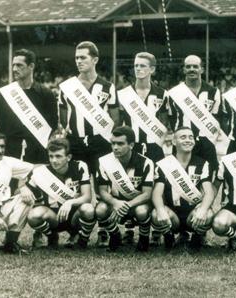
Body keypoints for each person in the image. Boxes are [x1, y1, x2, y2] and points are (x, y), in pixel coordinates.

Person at [58, 41, 120, 246]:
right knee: (76, 187)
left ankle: (104, 230)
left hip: (99, 142)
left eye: (83, 57)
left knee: (103, 185)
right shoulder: (68, 87)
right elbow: (64, 117)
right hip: (75, 142)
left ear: (95, 59)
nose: (79, 61)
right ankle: (75, 230)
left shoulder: (107, 87)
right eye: (76, 58)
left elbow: (115, 119)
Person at [118, 52, 169, 246]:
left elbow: (164, 124)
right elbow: (119, 124)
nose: (138, 68)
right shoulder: (124, 94)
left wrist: (159, 143)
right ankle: (130, 228)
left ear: (152, 69)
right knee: (132, 182)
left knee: (157, 184)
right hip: (134, 146)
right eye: (136, 65)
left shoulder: (162, 94)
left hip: (154, 146)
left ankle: (156, 228)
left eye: (143, 65)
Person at [151, 126, 215, 251]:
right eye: (183, 137)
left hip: (193, 215)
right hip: (173, 215)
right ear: (174, 142)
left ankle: (197, 239)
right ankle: (168, 238)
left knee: (208, 213)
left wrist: (202, 209)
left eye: (191, 137)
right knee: (155, 213)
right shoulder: (165, 164)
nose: (188, 140)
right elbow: (157, 194)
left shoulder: (202, 163)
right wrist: (160, 210)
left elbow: (209, 192)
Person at [26, 138, 96, 249]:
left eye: (58, 156)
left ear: (68, 157)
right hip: (53, 217)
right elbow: (23, 184)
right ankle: (52, 236)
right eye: (51, 156)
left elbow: (87, 197)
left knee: (88, 209)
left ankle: (82, 239)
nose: (54, 160)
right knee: (33, 216)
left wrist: (70, 203)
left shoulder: (79, 166)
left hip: (74, 216)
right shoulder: (42, 172)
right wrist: (22, 188)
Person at [95, 126, 154, 252]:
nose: (115, 147)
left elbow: (147, 194)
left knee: (142, 211)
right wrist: (115, 203)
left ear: (131, 145)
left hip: (137, 204)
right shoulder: (105, 161)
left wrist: (126, 205)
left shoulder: (146, 163)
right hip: (116, 204)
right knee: (100, 209)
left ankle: (144, 240)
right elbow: (102, 191)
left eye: (120, 144)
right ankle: (115, 236)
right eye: (113, 143)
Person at [0, 48, 58, 164]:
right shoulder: (3, 94)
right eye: (13, 65)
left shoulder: (46, 94)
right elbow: (1, 125)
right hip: (11, 151)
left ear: (31, 66)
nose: (14, 69)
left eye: (19, 65)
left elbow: (53, 123)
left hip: (38, 151)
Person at [168, 55, 223, 174]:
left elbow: (217, 118)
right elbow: (172, 118)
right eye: (188, 67)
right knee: (179, 177)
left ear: (202, 69)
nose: (191, 69)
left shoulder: (213, 92)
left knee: (208, 176)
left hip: (207, 143)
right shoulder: (174, 93)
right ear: (184, 70)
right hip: (182, 141)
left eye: (195, 66)